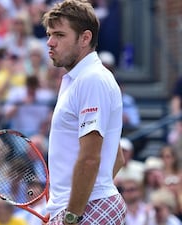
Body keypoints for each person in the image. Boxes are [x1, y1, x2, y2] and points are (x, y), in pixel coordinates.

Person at [42, 1, 126, 224]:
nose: (50, 43)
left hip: (86, 208)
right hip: (86, 205)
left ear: (85, 38)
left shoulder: (91, 79)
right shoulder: (78, 79)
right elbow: (117, 158)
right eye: (49, 34)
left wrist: (71, 214)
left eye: (59, 35)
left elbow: (90, 159)